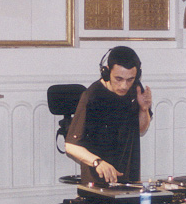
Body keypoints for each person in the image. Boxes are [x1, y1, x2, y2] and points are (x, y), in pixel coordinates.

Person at [65, 46, 153, 184]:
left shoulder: (135, 89)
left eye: (130, 79)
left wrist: (143, 109)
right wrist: (97, 162)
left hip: (129, 178)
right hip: (97, 180)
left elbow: (140, 129)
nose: (124, 85)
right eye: (118, 79)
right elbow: (71, 146)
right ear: (106, 72)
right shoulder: (92, 96)